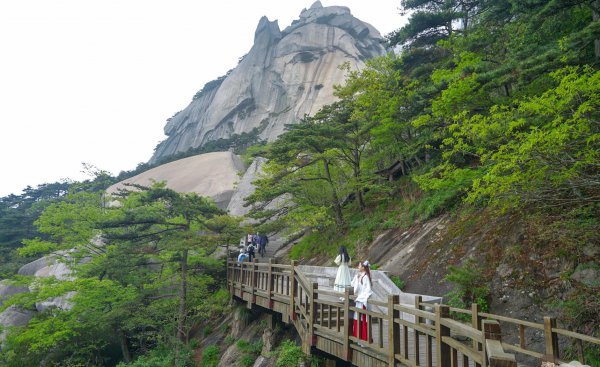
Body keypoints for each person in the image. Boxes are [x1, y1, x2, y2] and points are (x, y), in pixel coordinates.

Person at [351, 260, 373, 342]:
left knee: (363, 320)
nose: (358, 267)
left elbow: (368, 290)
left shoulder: (366, 277)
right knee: (358, 319)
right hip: (359, 300)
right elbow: (354, 287)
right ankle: (358, 338)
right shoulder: (360, 276)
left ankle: (364, 339)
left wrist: (361, 298)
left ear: (363, 267)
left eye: (359, 266)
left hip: (362, 301)